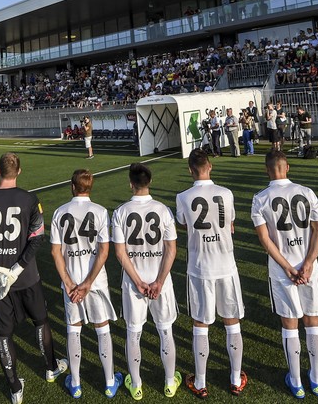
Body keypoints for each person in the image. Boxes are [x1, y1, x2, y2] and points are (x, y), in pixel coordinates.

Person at [0, 153, 67, 404]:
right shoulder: (30, 199)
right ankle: (50, 367)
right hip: (26, 277)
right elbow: (37, 238)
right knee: (41, 321)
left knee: (4, 334)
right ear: (19, 171)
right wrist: (18, 268)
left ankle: (15, 388)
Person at [251, 151, 318, 398]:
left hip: (283, 270)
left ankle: (296, 381)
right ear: (288, 167)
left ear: (266, 170)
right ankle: (316, 380)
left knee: (290, 325)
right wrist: (309, 263)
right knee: (312, 322)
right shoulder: (307, 192)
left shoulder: (260, 198)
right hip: (308, 268)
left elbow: (265, 239)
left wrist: (286, 267)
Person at [175, 149, 246, 397]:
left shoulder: (183, 196)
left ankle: (202, 382)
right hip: (226, 265)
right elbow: (230, 224)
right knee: (232, 322)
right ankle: (235, 379)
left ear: (190, 170)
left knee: (200, 324)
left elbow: (184, 224)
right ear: (210, 166)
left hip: (200, 266)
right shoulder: (226, 193)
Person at [111, 163, 181, 400]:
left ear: (131, 183)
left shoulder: (120, 212)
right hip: (160, 282)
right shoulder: (163, 210)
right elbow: (171, 249)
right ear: (149, 183)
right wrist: (159, 281)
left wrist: (138, 281)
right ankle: (170, 383)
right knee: (165, 331)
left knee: (133, 333)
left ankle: (137, 385)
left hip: (133, 284)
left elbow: (120, 253)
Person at [50, 169, 121, 399]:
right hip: (96, 282)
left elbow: (55, 252)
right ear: (90, 187)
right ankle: (110, 383)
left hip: (71, 284)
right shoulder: (101, 212)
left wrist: (70, 283)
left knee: (74, 330)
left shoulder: (59, 213)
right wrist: (89, 282)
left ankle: (76, 383)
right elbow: (104, 251)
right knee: (102, 330)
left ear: (72, 186)